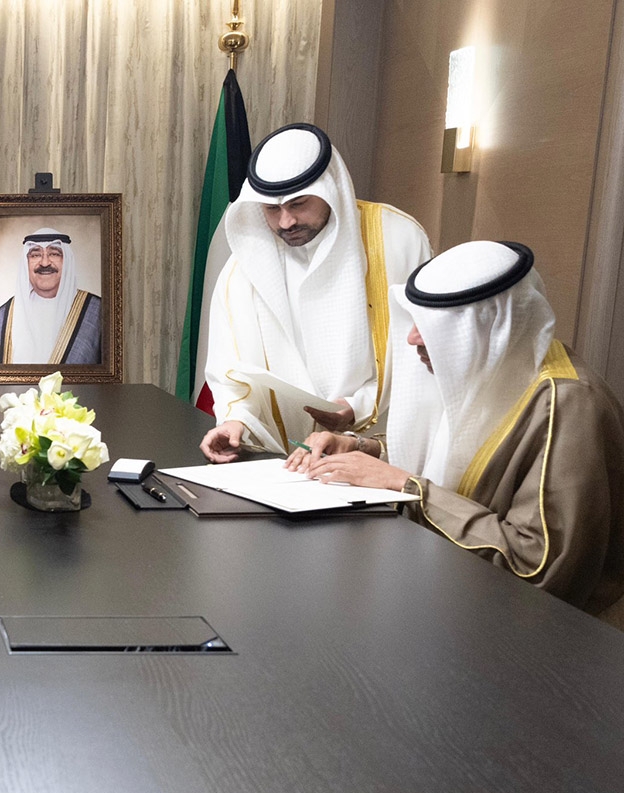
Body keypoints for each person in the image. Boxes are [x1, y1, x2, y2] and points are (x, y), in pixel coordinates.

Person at [287, 241, 624, 613]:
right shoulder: (495, 365)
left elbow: (537, 568)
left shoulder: (569, 406)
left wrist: (406, 487)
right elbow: (460, 454)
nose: (412, 338)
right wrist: (363, 449)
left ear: (491, 324)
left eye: (435, 325)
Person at [199, 123, 432, 462]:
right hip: (284, 464)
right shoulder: (244, 266)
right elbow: (230, 365)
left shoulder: (398, 239)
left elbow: (426, 351)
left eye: (299, 204)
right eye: (272, 209)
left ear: (330, 189)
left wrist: (358, 406)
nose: (286, 222)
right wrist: (235, 421)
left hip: (376, 454)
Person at [0, 227, 101, 364]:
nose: (44, 263)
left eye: (54, 254)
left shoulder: (97, 312)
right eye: (35, 255)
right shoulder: (5, 316)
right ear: (26, 262)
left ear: (66, 261)